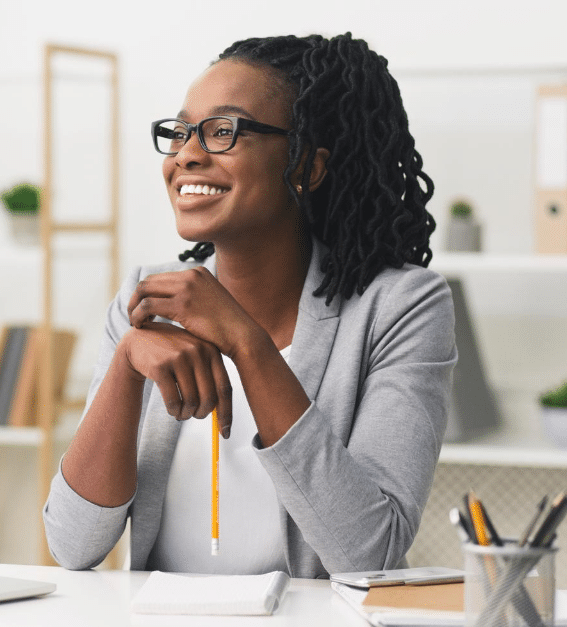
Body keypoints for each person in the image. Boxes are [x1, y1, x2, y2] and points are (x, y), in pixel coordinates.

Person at [43, 33, 457, 578]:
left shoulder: (402, 307)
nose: (187, 154)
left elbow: (369, 556)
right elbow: (72, 546)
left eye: (223, 131)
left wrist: (246, 343)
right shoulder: (147, 298)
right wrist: (125, 364)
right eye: (181, 132)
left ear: (307, 165)